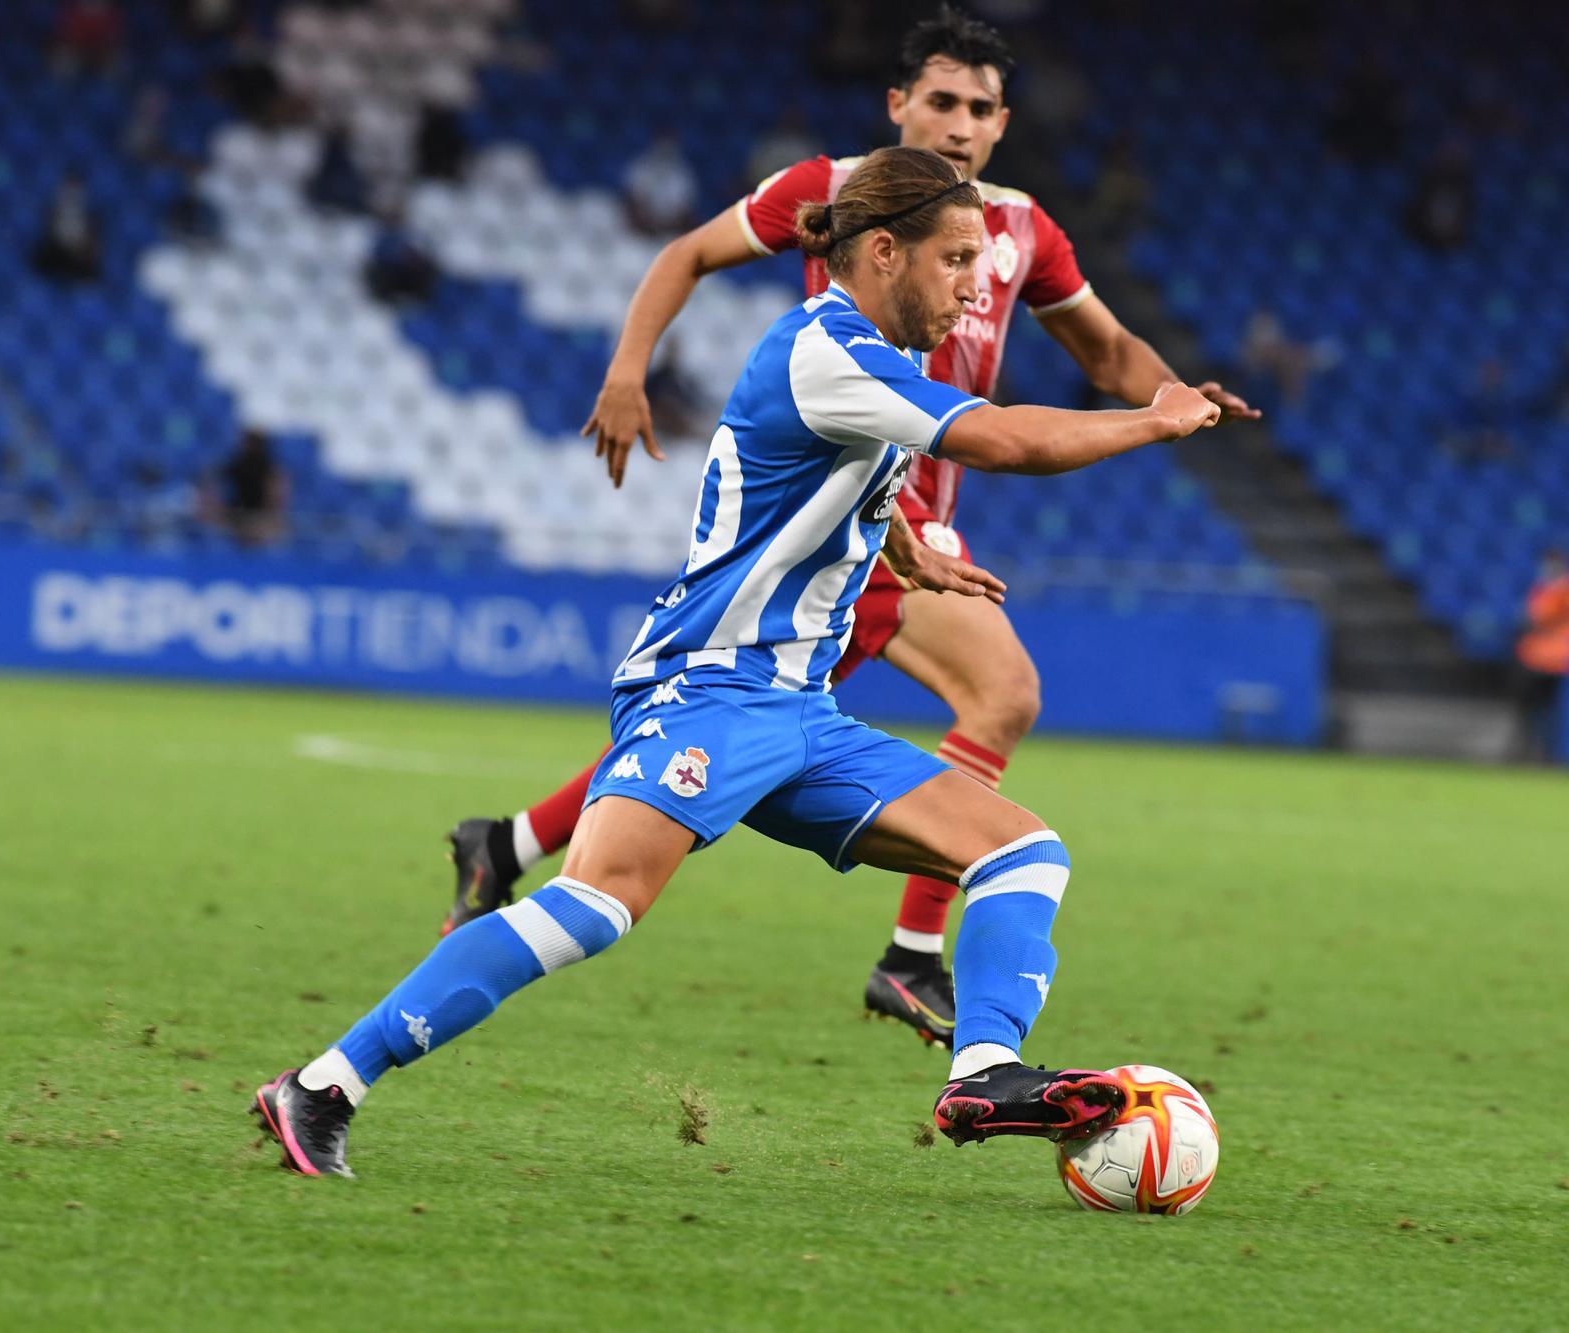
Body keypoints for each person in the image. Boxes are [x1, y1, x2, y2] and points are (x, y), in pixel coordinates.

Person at [250, 145, 1223, 1178]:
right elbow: (1005, 444)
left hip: (797, 713)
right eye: (953, 259)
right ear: (883, 251)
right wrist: (1151, 417)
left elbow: (827, 474)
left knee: (1021, 852)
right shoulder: (828, 350)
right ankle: (319, 1086)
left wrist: (899, 547)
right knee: (593, 905)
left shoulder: (870, 360)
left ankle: (980, 1070)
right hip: (707, 689)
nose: (975, 285)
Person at [439, 5, 1257, 1050]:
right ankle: (912, 957)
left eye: (981, 108)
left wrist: (1174, 396)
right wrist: (625, 368)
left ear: (1002, 124)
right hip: (855, 507)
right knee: (991, 693)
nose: (959, 124)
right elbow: (686, 254)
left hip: (907, 514)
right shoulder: (827, 194)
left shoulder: (1022, 231)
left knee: (749, 720)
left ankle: (507, 844)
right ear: (898, 104)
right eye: (941, 101)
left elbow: (1105, 351)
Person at [1513, 549, 1569, 763]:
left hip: (1557, 660)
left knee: (1550, 709)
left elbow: (1543, 617)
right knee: (1529, 708)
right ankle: (1526, 751)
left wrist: (1533, 619)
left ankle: (1549, 754)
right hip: (1535, 657)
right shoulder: (1543, 588)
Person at [203, 428, 289, 547]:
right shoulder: (237, 464)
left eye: (247, 443)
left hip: (260, 516)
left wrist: (272, 512)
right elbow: (214, 481)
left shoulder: (269, 467)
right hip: (238, 514)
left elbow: (278, 493)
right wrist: (215, 506)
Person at [30, 172, 103, 283]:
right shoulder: (53, 212)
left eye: (75, 190)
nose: (72, 194)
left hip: (77, 258)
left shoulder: (91, 217)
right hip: (57, 254)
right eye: (69, 190)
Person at [622, 132, 699, 235]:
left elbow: (683, 210)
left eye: (669, 145)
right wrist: (647, 223)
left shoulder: (684, 173)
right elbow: (633, 201)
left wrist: (665, 226)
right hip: (641, 230)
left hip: (671, 230)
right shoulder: (641, 167)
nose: (665, 149)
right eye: (662, 144)